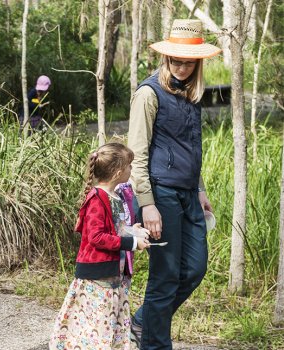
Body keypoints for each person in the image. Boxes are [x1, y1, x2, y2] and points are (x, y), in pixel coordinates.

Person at [127, 19, 220, 349]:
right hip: (160, 193)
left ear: (198, 63)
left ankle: (141, 322)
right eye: (175, 60)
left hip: (188, 194)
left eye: (188, 61)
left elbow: (191, 147)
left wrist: (200, 189)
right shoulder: (148, 93)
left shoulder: (192, 95)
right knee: (165, 276)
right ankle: (154, 342)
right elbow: (136, 152)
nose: (181, 66)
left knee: (194, 269)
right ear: (166, 58)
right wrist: (147, 202)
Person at [48, 143, 150, 349]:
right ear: (119, 171)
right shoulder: (97, 198)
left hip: (115, 274)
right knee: (96, 324)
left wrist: (132, 231)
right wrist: (131, 242)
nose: (132, 169)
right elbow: (96, 237)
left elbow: (114, 229)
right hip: (98, 277)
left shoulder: (116, 197)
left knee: (109, 322)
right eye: (129, 165)